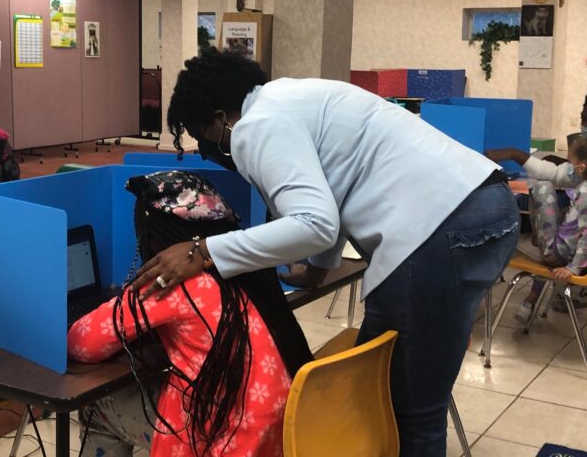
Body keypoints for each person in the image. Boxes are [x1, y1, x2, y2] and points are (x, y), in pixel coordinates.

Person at [132, 49, 520, 456]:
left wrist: (203, 250)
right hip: (489, 208)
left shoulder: (255, 127)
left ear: (221, 117)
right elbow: (332, 193)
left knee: (406, 410)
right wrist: (317, 271)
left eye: (201, 133)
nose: (206, 147)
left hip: (436, 230)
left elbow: (315, 224)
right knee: (384, 388)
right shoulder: (291, 97)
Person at [68, 170, 313, 456]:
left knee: (99, 406)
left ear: (158, 238)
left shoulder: (171, 282)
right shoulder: (251, 267)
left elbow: (82, 343)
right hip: (282, 432)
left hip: (224, 442)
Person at [487, 140, 587, 318]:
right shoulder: (581, 183)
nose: (568, 167)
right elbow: (552, 172)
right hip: (566, 249)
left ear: (581, 168)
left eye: (570, 164)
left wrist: (574, 268)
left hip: (559, 254)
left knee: (542, 187)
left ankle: (535, 238)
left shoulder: (585, 193)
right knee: (543, 186)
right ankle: (536, 236)